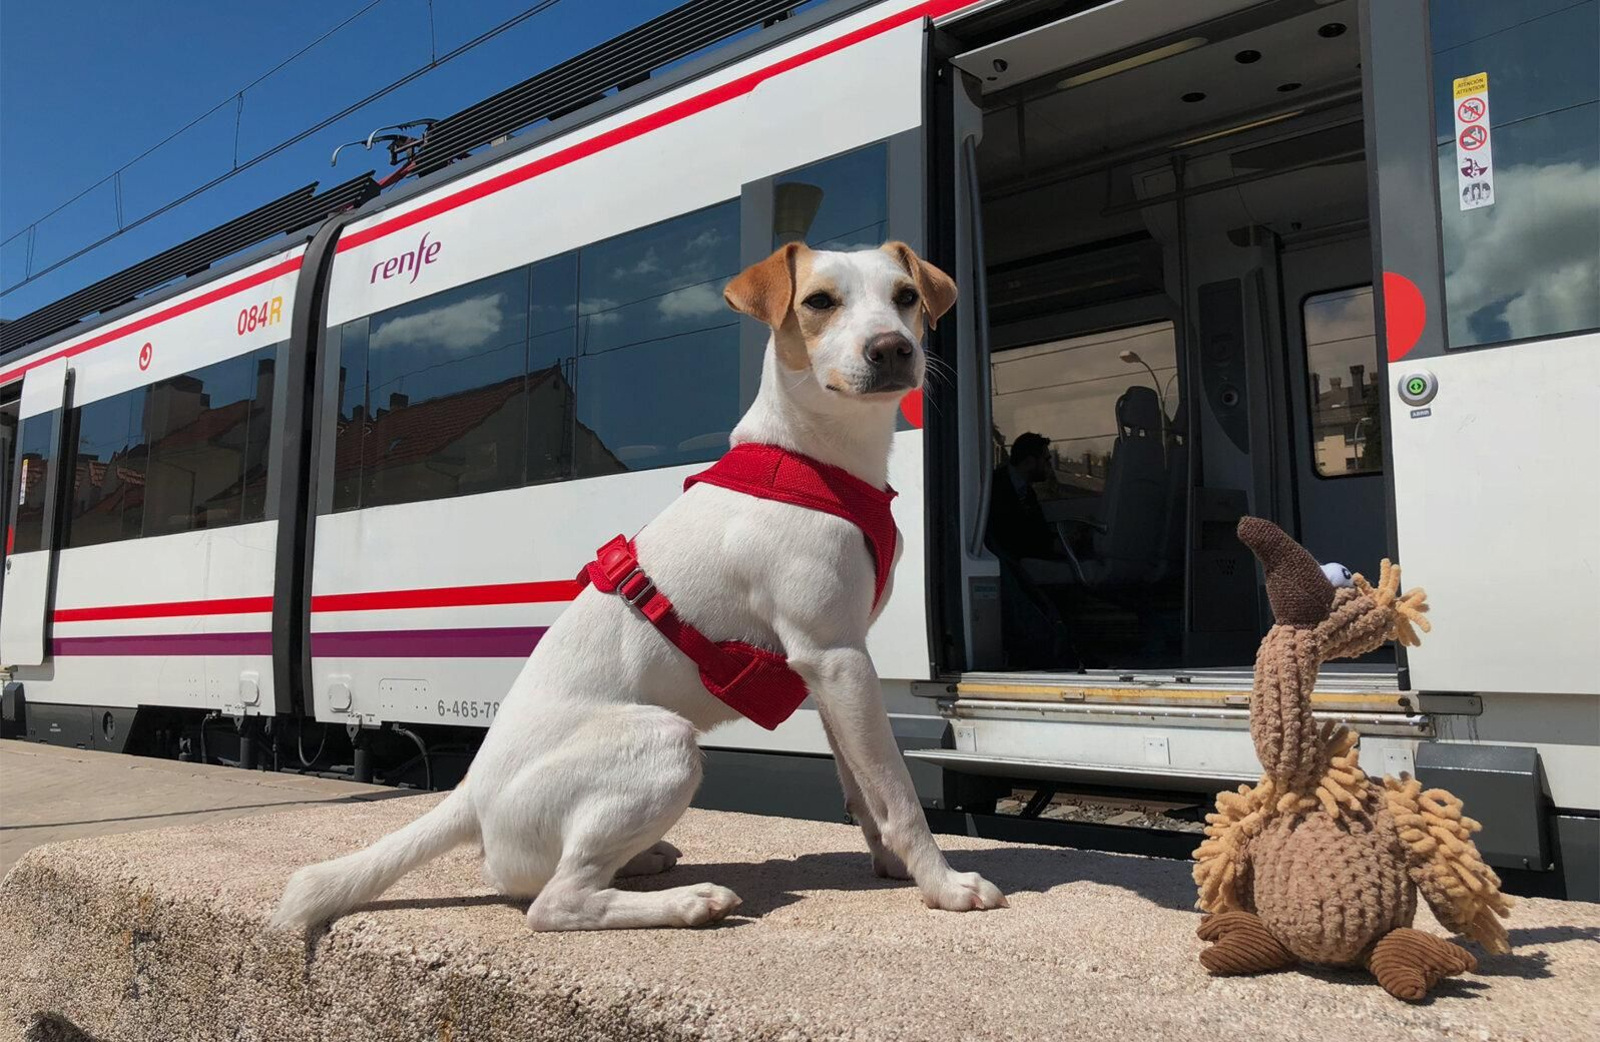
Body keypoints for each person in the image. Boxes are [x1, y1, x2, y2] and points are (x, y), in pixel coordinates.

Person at [986, 432, 1061, 562]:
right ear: (1030, 462)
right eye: (1046, 460)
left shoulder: (1025, 491)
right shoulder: (997, 489)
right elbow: (1015, 540)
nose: (1049, 466)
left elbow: (1037, 531)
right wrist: (1055, 546)